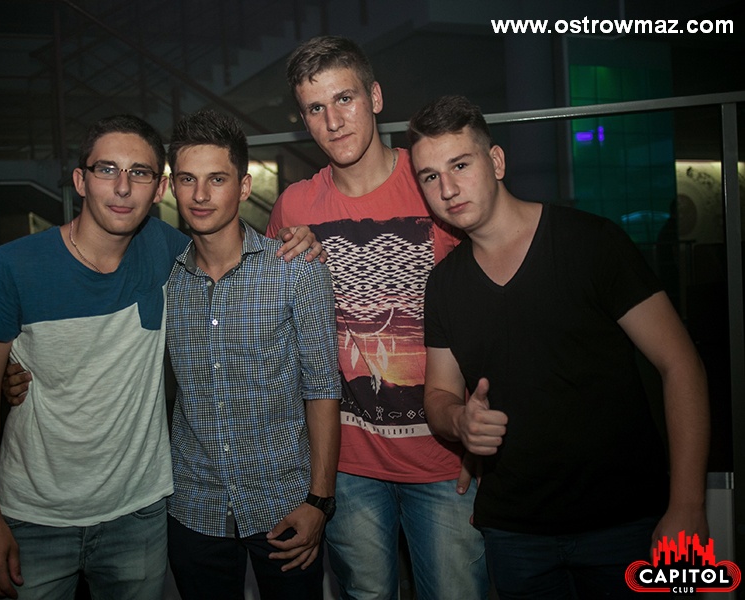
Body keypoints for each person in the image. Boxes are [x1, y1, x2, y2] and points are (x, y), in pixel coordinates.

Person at [0, 114, 323, 600]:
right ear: (80, 180)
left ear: (158, 189)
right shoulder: (12, 266)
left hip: (139, 514)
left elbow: (229, 245)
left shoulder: (169, 254)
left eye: (140, 172)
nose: (122, 187)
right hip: (35, 516)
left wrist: (297, 240)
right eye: (107, 169)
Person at [409, 95, 710, 599]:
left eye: (460, 165)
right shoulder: (443, 285)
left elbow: (680, 364)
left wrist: (688, 504)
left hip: (624, 523)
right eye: (430, 176)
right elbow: (438, 394)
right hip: (513, 531)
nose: (448, 189)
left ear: (496, 161)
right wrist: (460, 421)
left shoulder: (591, 243)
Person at [266, 36, 487, 599]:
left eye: (345, 99)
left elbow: (490, 309)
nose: (333, 121)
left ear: (376, 97)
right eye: (316, 108)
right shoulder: (295, 205)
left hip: (443, 457)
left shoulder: (433, 181)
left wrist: (480, 440)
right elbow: (275, 325)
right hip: (347, 465)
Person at [164, 109, 340, 599]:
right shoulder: (166, 280)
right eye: (187, 179)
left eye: (216, 179)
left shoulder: (296, 269)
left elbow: (323, 388)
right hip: (194, 507)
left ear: (243, 187)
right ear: (172, 186)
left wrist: (319, 501)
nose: (200, 195)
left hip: (284, 503)